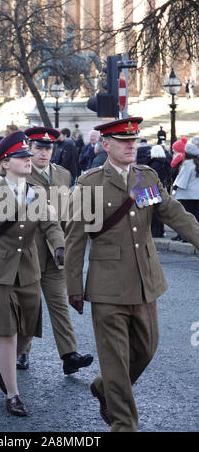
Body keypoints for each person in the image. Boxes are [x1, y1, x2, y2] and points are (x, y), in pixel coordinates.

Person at [64, 117, 199, 432]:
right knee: (115, 360)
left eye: (134, 141)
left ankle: (104, 386)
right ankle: (124, 425)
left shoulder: (146, 177)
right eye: (123, 141)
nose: (130, 146)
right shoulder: (90, 183)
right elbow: (75, 237)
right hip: (107, 286)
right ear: (106, 144)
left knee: (146, 349)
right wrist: (74, 286)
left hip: (145, 281)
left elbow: (175, 215)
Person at [0, 130, 65, 417]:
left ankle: (5, 372)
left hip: (28, 273)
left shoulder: (38, 194)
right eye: (21, 157)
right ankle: (13, 393)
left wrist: (58, 245)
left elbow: (50, 226)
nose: (28, 160)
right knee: (6, 333)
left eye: (28, 156)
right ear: (5, 163)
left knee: (25, 330)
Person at [15, 126, 93, 373]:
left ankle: (69, 354)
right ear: (29, 148)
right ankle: (21, 351)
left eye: (48, 148)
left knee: (59, 303)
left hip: (56, 251)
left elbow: (66, 214)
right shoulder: (20, 174)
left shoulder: (63, 174)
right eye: (38, 148)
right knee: (30, 304)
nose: (44, 153)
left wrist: (67, 241)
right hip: (29, 250)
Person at [172, 143, 199, 230]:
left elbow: (182, 179)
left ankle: (185, 236)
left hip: (188, 196)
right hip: (197, 195)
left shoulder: (188, 163)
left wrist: (175, 187)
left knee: (186, 217)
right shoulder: (197, 163)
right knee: (196, 217)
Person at [149, 145, 171, 237]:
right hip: (163, 188)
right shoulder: (165, 162)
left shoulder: (154, 164)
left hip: (154, 190)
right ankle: (160, 231)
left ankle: (156, 232)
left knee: (154, 213)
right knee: (160, 212)